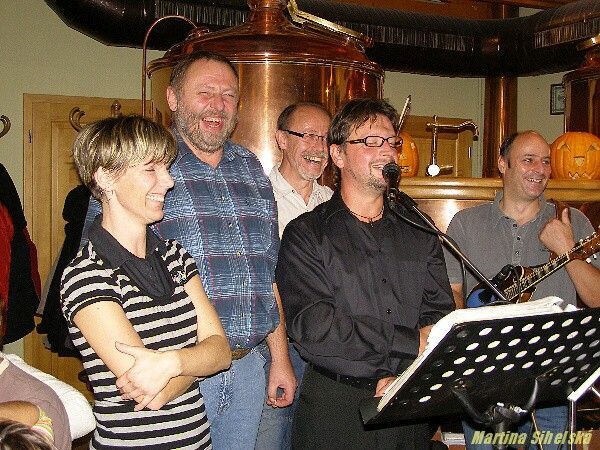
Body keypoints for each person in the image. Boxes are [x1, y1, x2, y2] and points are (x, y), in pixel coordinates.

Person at [82, 51, 296, 449]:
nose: (218, 104)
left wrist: (279, 357)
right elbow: (97, 271)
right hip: (173, 377)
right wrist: (167, 366)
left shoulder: (251, 168)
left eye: (228, 95)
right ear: (173, 98)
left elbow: (267, 276)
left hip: (248, 368)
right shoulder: (139, 170)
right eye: (205, 92)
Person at [276, 97, 455, 449]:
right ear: (338, 155)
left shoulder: (418, 227)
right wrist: (406, 343)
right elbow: (315, 327)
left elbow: (439, 312)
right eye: (371, 141)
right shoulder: (307, 233)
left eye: (391, 142)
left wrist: (403, 371)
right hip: (336, 409)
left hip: (408, 401)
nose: (387, 151)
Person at [62, 115, 231, 449]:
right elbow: (150, 391)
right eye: (151, 169)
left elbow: (223, 352)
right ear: (105, 177)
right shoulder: (87, 273)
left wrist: (170, 363)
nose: (167, 181)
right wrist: (197, 360)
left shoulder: (175, 255)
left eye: (166, 168)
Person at [443, 130, 600, 449]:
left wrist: (566, 250)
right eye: (528, 160)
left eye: (546, 162)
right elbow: (453, 294)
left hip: (552, 380)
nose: (540, 170)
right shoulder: (465, 223)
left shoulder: (572, 220)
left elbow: (596, 298)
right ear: (503, 164)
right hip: (484, 380)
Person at [255, 102, 332, 450]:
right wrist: (280, 357)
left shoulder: (333, 203)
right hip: (273, 349)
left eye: (325, 138)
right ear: (282, 139)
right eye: (308, 135)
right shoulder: (258, 198)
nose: (318, 146)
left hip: (324, 349)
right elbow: (262, 282)